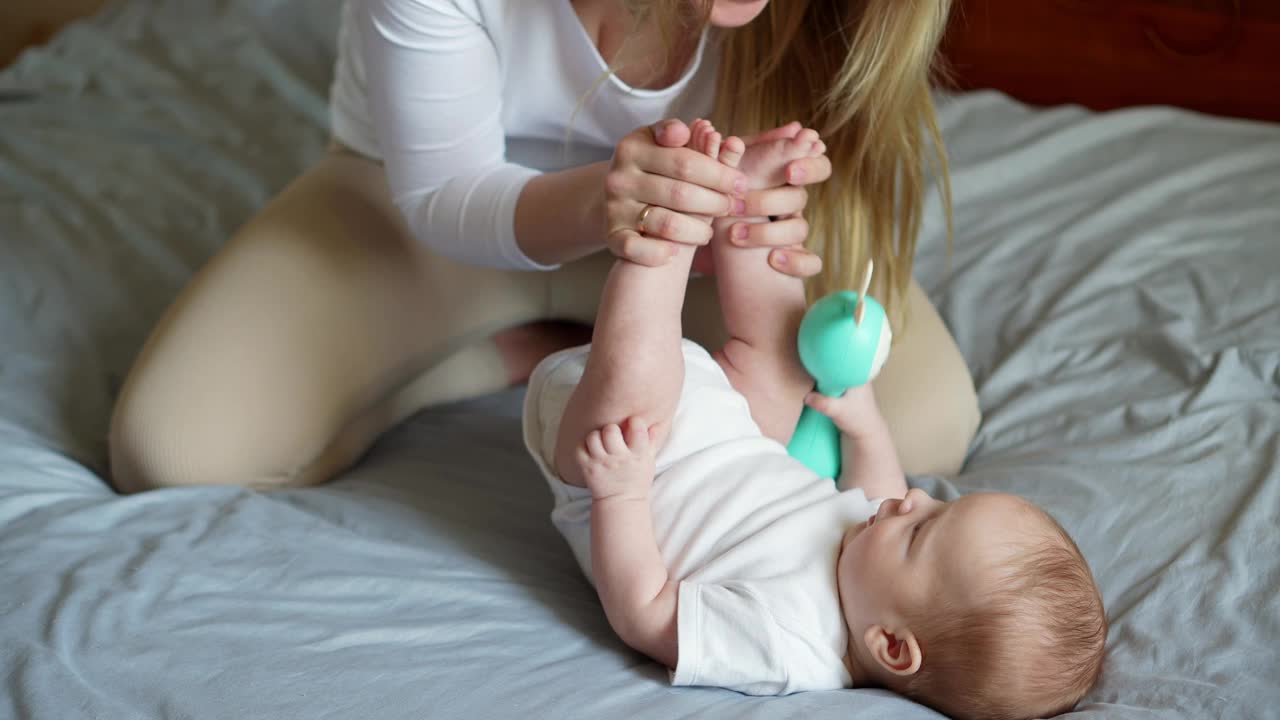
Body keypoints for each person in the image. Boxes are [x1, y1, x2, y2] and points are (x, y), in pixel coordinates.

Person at [108, 0, 980, 493]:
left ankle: (582, 346)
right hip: (420, 213)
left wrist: (758, 216)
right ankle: (515, 355)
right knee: (175, 455)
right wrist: (613, 200)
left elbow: (794, 185)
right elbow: (445, 192)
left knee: (921, 425)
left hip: (689, 243)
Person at [522, 120, 1107, 720]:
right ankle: (747, 214)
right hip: (727, 419)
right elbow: (877, 483)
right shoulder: (873, 552)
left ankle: (672, 228)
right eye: (941, 505)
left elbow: (646, 614)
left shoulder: (788, 643)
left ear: (893, 646)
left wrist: (620, 495)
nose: (912, 502)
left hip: (626, 454)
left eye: (920, 531)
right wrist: (865, 425)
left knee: (639, 394)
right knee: (784, 372)